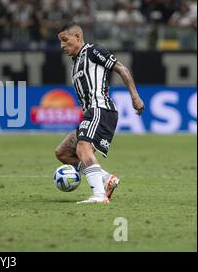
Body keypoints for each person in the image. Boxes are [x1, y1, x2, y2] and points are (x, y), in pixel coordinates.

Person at [55, 22, 145, 204]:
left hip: (100, 109)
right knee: (63, 152)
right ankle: (106, 179)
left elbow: (121, 68)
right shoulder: (75, 63)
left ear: (78, 37)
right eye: (60, 42)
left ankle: (99, 195)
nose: (62, 46)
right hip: (90, 112)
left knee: (82, 148)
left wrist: (135, 96)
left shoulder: (92, 51)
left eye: (65, 40)